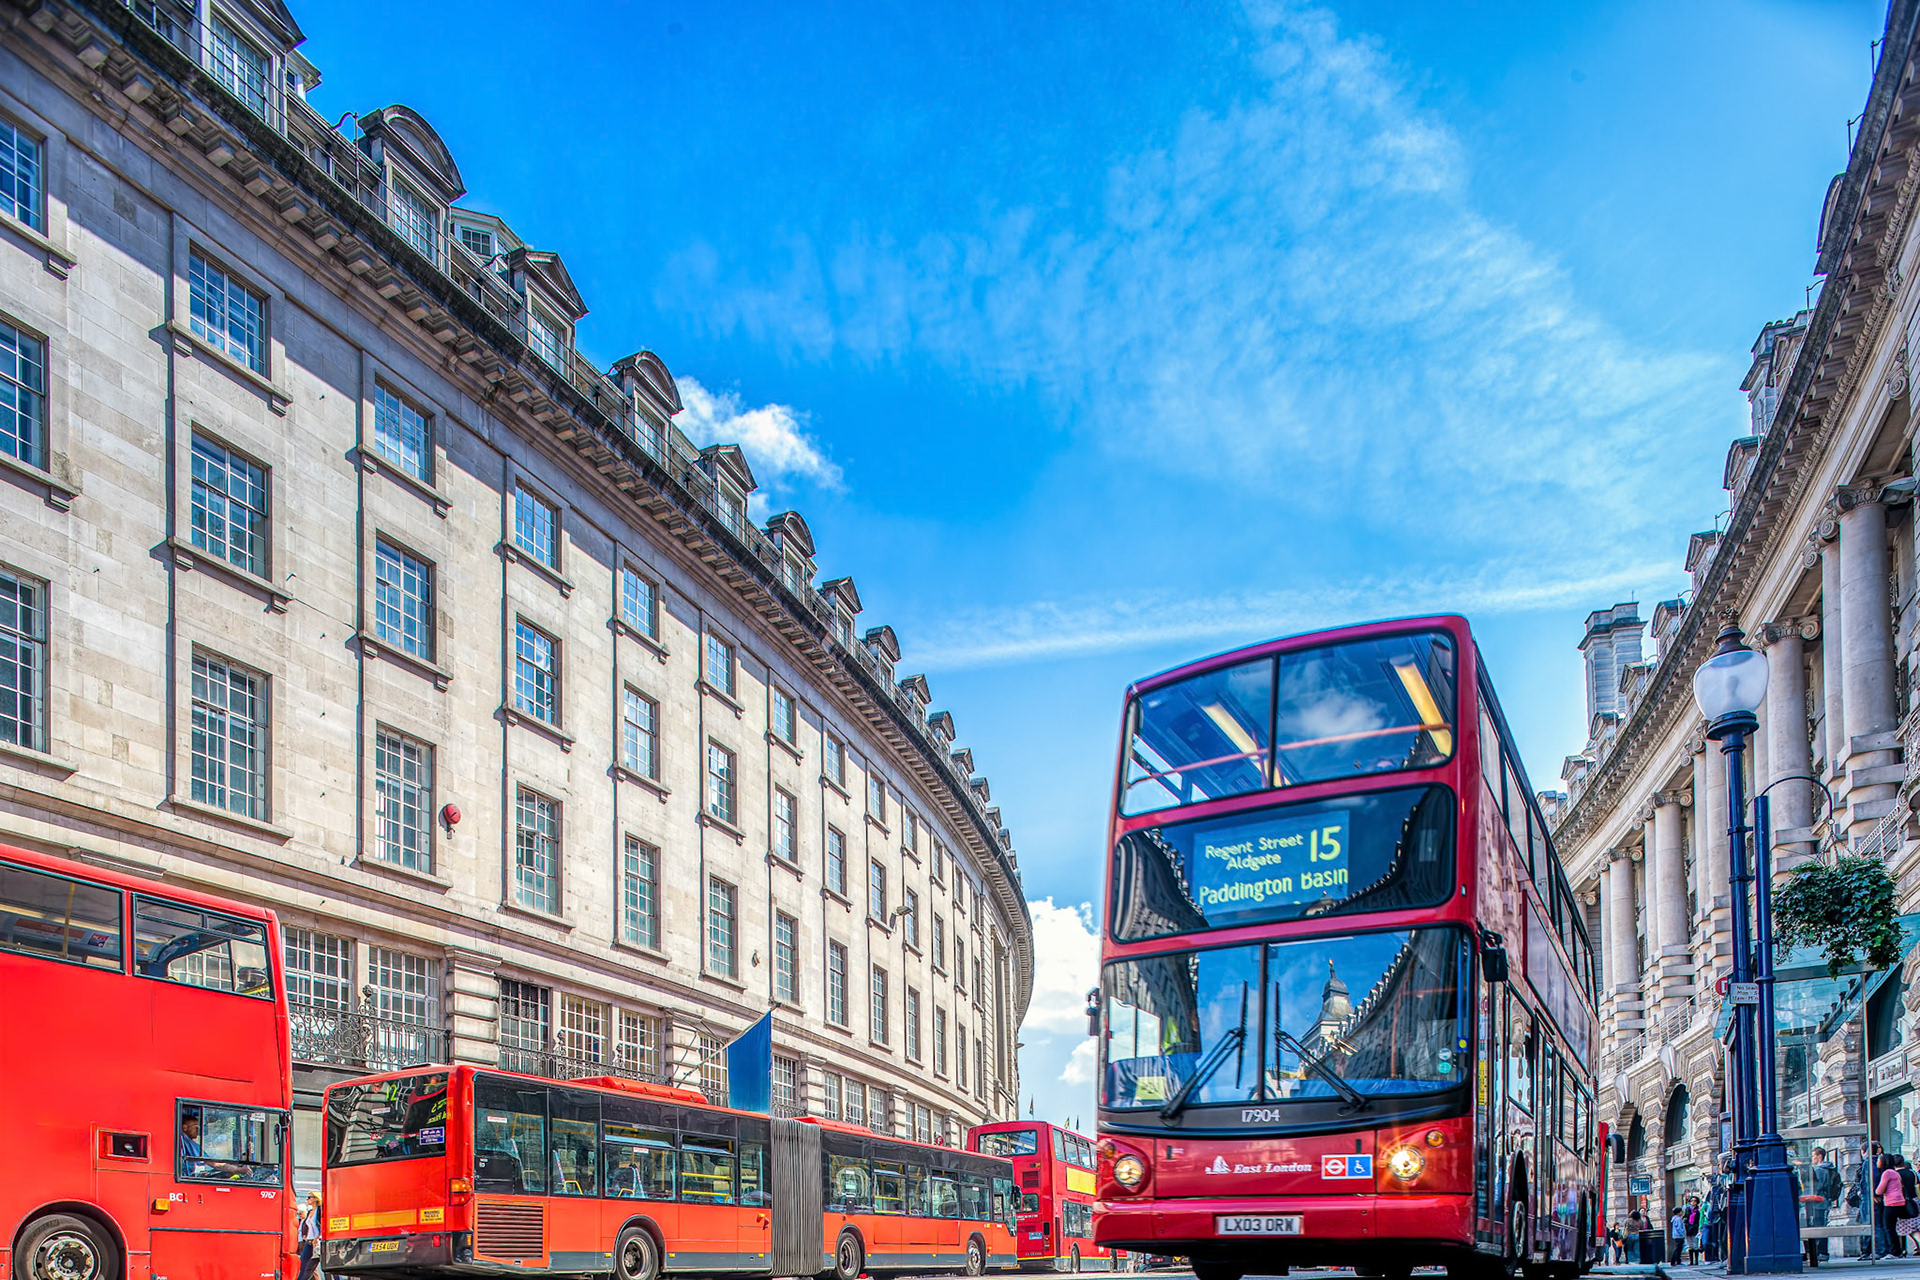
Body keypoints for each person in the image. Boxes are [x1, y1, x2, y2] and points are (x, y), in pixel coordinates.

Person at [1804, 1145, 1840, 1266]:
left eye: (1814, 1156)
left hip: (1816, 1202)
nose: (1812, 1159)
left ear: (1819, 1156)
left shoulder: (1818, 1170)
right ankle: (1823, 1252)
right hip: (1826, 1202)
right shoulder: (1831, 1169)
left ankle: (1818, 1252)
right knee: (1823, 1226)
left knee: (1816, 1227)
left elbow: (1816, 1187)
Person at [1878, 1153, 1907, 1257]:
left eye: (1879, 1160)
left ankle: (1894, 1251)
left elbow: (1879, 1190)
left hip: (1891, 1202)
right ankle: (1898, 1250)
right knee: (1893, 1227)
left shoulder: (1887, 1173)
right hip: (1899, 1201)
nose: (1878, 1162)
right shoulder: (1895, 1172)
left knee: (1888, 1227)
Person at [1865, 1142, 1888, 1259]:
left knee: (1874, 1224)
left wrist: (1873, 1193)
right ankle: (1871, 1250)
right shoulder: (1876, 1162)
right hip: (1873, 1196)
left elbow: (1871, 1178)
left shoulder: (1870, 1162)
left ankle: (1880, 1249)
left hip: (1871, 1198)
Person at [296, 1192, 322, 1280]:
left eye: (309, 1197)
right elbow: (306, 1225)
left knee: (312, 1267)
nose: (307, 1199)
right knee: (303, 1265)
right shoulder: (310, 1212)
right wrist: (305, 1235)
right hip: (308, 1242)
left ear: (315, 1198)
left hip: (317, 1242)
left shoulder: (320, 1211)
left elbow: (323, 1226)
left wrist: (318, 1237)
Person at [1684, 1194, 1704, 1265]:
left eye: (1695, 1201)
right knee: (1690, 1246)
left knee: (1695, 1245)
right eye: (1692, 1201)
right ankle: (1691, 1261)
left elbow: (1700, 1219)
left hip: (1695, 1228)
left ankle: (1696, 1261)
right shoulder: (1687, 1210)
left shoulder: (1698, 1210)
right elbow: (1685, 1218)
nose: (1693, 1202)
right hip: (1688, 1229)